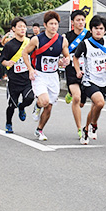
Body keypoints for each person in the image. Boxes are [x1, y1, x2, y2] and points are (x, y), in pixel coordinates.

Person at [21, 11, 71, 141]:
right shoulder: (37, 39)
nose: (54, 26)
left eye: (56, 24)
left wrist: (66, 61)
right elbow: (25, 53)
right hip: (39, 75)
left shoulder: (62, 40)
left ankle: (39, 129)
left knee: (49, 106)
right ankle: (37, 106)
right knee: (44, 101)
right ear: (45, 25)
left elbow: (67, 56)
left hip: (53, 76)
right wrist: (30, 69)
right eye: (51, 24)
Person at [74, 16, 106, 145]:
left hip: (105, 80)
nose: (98, 31)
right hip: (89, 80)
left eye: (101, 28)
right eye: (96, 28)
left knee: (96, 107)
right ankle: (93, 124)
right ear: (91, 29)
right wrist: (78, 70)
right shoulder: (85, 44)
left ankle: (87, 129)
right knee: (99, 103)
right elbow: (76, 58)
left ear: (104, 30)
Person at [0, 17, 34, 134]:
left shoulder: (29, 43)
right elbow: (2, 60)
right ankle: (8, 123)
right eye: (20, 26)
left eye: (24, 27)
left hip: (26, 79)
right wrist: (7, 63)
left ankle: (22, 106)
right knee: (11, 105)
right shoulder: (9, 45)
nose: (22, 29)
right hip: (14, 80)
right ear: (13, 29)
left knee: (30, 98)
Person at [64, 10, 91, 138]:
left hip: (88, 71)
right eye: (78, 20)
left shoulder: (90, 36)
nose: (81, 22)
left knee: (81, 103)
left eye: (82, 20)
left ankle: (70, 93)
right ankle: (80, 128)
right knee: (76, 97)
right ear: (72, 22)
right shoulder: (66, 37)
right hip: (72, 70)